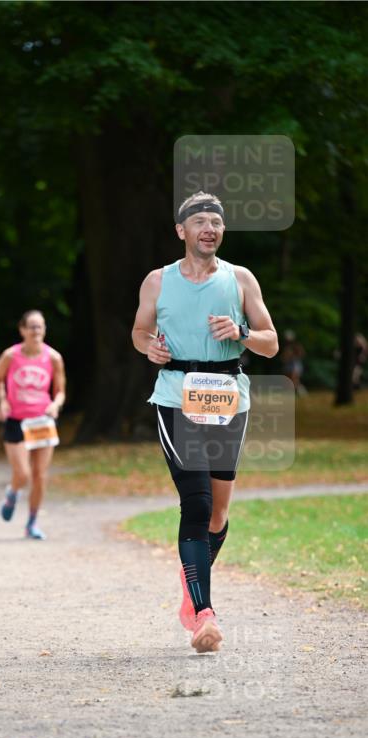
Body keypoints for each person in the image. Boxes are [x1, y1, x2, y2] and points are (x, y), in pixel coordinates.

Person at [132, 191, 278, 653]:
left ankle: (189, 588)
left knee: (217, 514)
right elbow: (139, 331)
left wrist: (241, 333)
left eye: (216, 221)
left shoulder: (240, 279)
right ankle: (204, 615)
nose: (209, 228)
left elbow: (271, 342)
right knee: (195, 505)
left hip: (228, 399)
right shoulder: (157, 281)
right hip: (177, 396)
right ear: (182, 231)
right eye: (199, 222)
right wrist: (148, 347)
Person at [0, 309, 66, 540]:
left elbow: (61, 391)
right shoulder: (10, 356)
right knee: (22, 473)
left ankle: (32, 523)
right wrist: (3, 401)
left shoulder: (53, 358)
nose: (36, 331)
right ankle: (12, 492)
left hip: (42, 421)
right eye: (32, 326)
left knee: (40, 475)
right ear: (22, 330)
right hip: (16, 420)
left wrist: (55, 405)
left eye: (40, 326)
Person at [281, 330, 306, 395]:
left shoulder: (296, 346)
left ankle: (301, 392)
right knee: (289, 379)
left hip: (295, 364)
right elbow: (284, 357)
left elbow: (301, 354)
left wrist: (293, 355)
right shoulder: (286, 347)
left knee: (294, 379)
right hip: (288, 365)